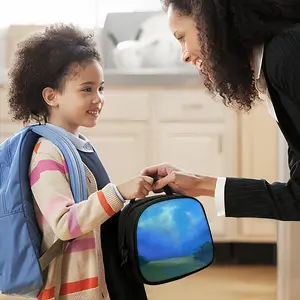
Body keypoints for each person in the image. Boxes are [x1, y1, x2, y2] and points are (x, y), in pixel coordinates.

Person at [8, 24, 153, 300]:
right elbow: (64, 223)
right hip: (77, 287)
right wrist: (120, 192)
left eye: (100, 88)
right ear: (52, 96)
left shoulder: (78, 146)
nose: (98, 99)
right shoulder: (47, 154)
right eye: (86, 89)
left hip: (104, 274)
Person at [141, 0, 300, 221]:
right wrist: (199, 184)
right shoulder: (275, 61)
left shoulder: (287, 54)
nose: (184, 56)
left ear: (212, 23)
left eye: (182, 37)